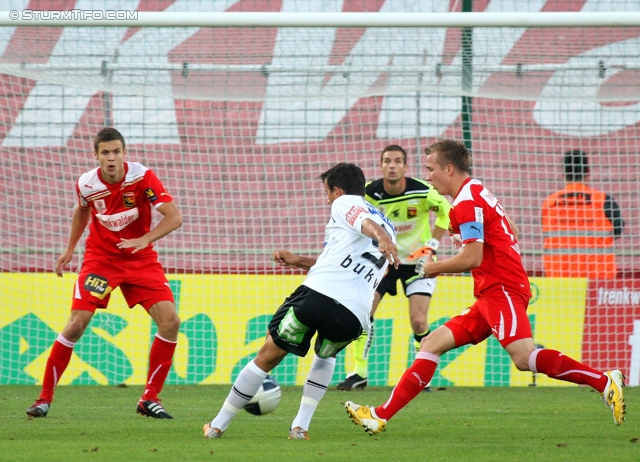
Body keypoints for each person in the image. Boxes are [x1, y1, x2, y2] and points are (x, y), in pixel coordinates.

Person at [345, 139, 626, 435]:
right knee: (431, 343)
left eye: (431, 169)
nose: (427, 176)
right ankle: (380, 415)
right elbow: (512, 231)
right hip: (492, 290)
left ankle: (604, 382)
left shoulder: (466, 203)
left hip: (501, 288)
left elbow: (472, 257)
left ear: (449, 169)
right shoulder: (476, 190)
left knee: (523, 357)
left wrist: (431, 266)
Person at [203, 162, 399, 440]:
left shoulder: (345, 204)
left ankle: (217, 425)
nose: (327, 199)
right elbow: (348, 261)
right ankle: (300, 427)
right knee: (325, 356)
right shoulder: (389, 226)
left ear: (338, 190)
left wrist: (379, 237)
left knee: (268, 355)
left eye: (327, 192)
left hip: (318, 295)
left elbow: (364, 224)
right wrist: (298, 260)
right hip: (355, 315)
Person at [26, 127, 183, 419]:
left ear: (124, 153)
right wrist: (70, 249)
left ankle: (149, 398)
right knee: (76, 324)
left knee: (171, 321)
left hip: (140, 259)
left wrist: (144, 240)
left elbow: (175, 216)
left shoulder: (142, 177)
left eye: (116, 152)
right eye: (105, 153)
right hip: (101, 260)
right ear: (96, 156)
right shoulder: (87, 184)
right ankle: (44, 398)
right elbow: (82, 211)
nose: (111, 158)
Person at [337, 145, 450, 392]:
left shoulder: (423, 191)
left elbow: (446, 214)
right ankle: (359, 373)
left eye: (398, 161)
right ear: (380, 166)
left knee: (419, 321)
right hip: (383, 262)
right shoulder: (369, 194)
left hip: (417, 263)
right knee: (363, 313)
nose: (392, 165)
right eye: (387, 161)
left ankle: (423, 376)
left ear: (405, 167)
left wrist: (432, 245)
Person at [541, 149, 625, 279]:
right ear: (588, 173)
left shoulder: (549, 203)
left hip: (558, 280)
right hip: (598, 277)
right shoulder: (602, 200)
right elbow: (618, 229)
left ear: (563, 174)